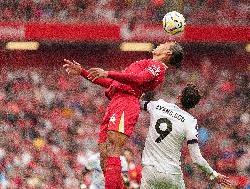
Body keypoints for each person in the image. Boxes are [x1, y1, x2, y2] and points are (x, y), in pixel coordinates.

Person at [63, 41, 184, 189]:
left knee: (113, 148)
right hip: (116, 101)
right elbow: (111, 83)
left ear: (168, 53)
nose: (161, 44)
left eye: (166, 44)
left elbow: (140, 79)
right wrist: (83, 72)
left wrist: (109, 72)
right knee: (104, 156)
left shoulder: (157, 66)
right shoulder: (147, 63)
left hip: (127, 102)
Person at [140, 84, 232, 189]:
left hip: (149, 171)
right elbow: (197, 158)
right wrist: (214, 174)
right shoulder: (190, 122)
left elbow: (137, 103)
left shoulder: (158, 105)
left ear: (179, 97)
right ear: (193, 106)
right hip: (172, 174)